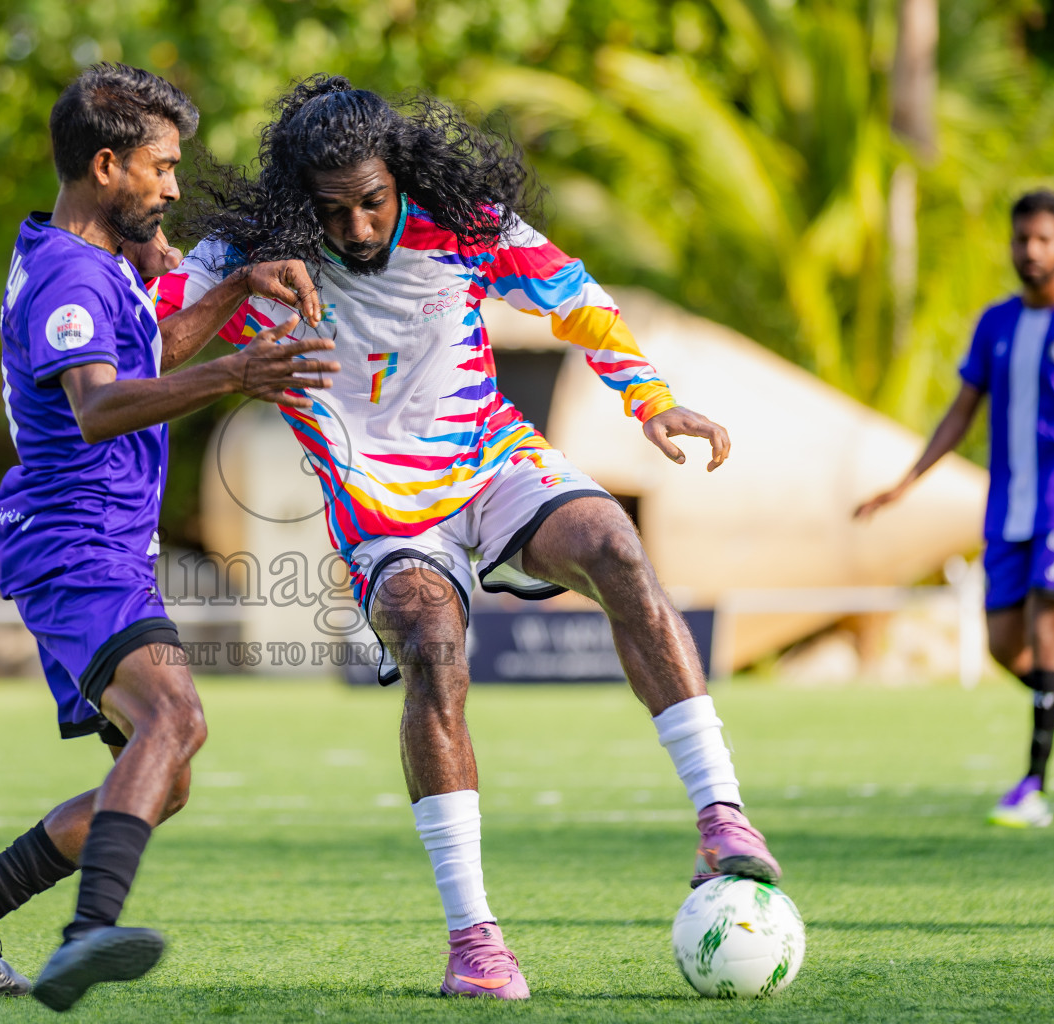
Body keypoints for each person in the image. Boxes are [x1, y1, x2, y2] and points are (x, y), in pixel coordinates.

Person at [158, 76, 780, 999]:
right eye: (336, 213)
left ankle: (723, 816)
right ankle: (475, 940)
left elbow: (576, 298)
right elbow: (158, 346)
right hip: (378, 507)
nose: (360, 229)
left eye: (374, 202)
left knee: (613, 545)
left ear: (400, 177)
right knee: (434, 645)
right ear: (303, 204)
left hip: (489, 458)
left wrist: (651, 399)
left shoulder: (466, 222)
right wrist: (244, 285)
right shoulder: (254, 253)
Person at [0, 63, 338, 1010]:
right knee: (172, 725)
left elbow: (154, 352)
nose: (175, 187)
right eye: (161, 167)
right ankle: (88, 933)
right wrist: (241, 373)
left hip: (106, 547)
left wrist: (238, 288)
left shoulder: (96, 264)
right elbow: (98, 408)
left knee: (163, 771)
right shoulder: (65, 273)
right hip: (73, 541)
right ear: (105, 165)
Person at [857, 189, 1054, 829]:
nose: (1029, 251)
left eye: (1042, 240)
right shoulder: (996, 324)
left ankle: (1032, 786)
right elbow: (961, 410)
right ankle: (1050, 718)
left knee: (1045, 630)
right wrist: (907, 481)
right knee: (1006, 644)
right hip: (1006, 507)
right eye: (1020, 240)